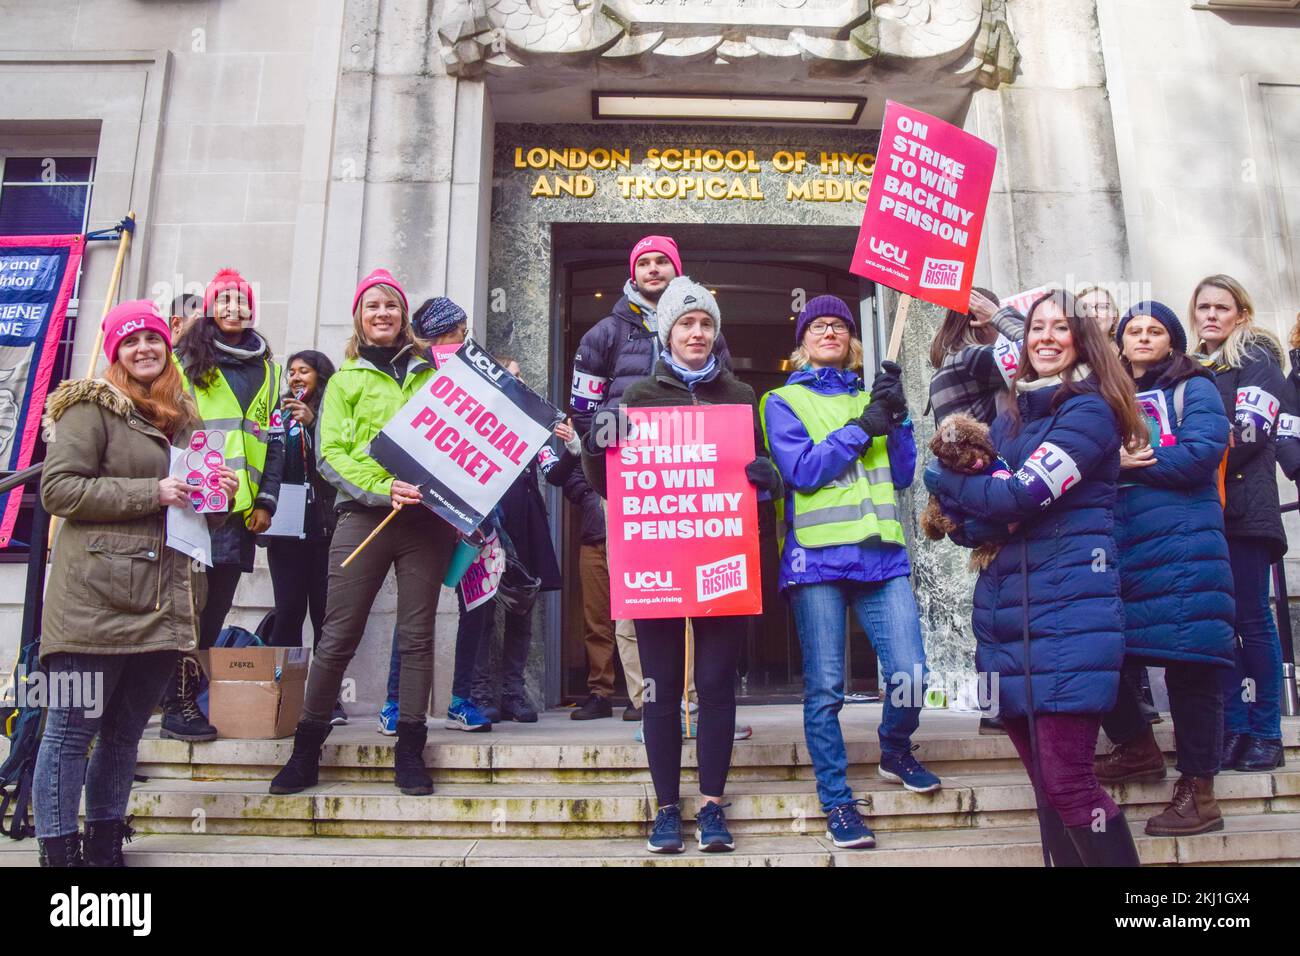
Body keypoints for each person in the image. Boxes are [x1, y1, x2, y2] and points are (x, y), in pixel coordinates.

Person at [925, 289, 1147, 866]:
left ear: (1082, 339)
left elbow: (1022, 494)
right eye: (1036, 328)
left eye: (1059, 327)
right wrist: (963, 515)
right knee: (1048, 793)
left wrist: (943, 483)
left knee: (1072, 787)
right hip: (1007, 623)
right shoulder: (1012, 413)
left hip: (1068, 619)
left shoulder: (1090, 410)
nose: (1044, 337)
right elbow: (983, 522)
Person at [581, 277, 781, 854]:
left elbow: (761, 469)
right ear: (667, 331)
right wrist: (598, 446)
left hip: (722, 560)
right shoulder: (638, 396)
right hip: (659, 562)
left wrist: (767, 479)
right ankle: (667, 808)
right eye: (686, 323)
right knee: (661, 688)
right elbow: (611, 486)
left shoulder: (742, 395)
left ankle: (713, 806)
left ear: (716, 334)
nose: (697, 332)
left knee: (717, 685)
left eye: (706, 324)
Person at [34, 300, 236, 866]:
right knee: (70, 733)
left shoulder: (186, 416)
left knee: (124, 734)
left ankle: (103, 844)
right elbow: (60, 491)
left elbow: (197, 513)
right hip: (91, 604)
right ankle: (57, 851)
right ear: (115, 352)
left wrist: (216, 493)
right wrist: (155, 492)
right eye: (131, 341)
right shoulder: (89, 408)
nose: (144, 348)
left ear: (167, 347)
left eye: (152, 338)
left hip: (164, 600)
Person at [270, 269, 457, 796]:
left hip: (426, 522)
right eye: (373, 306)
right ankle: (305, 751)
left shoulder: (433, 375)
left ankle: (411, 752)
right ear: (359, 317)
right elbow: (332, 456)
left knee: (418, 638)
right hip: (363, 518)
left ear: (404, 317)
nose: (383, 314)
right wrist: (384, 488)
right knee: (338, 636)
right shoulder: (345, 381)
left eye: (393, 306)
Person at [762, 294, 940, 851]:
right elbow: (804, 471)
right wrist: (864, 428)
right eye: (817, 325)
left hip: (880, 556)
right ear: (802, 342)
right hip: (816, 560)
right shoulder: (782, 400)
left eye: (839, 325)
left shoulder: (874, 396)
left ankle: (894, 747)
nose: (829, 331)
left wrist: (901, 416)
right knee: (826, 690)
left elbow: (906, 475)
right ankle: (837, 801)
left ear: (853, 340)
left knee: (911, 673)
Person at [569, 235, 734, 724]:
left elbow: (724, 398)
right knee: (637, 596)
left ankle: (692, 702)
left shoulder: (706, 329)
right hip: (634, 487)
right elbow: (583, 410)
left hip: (695, 485)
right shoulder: (603, 333)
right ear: (633, 271)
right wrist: (602, 455)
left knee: (697, 595)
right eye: (645, 262)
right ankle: (651, 703)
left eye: (663, 261)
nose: (654, 269)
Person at [1095, 301, 1235, 836]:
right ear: (1120, 342)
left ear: (1172, 341)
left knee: (1191, 667)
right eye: (1135, 331)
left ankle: (1199, 793)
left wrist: (1133, 463)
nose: (1145, 338)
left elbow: (1202, 453)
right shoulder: (1104, 395)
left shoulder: (1194, 387)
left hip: (1184, 549)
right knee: (1099, 655)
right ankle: (1135, 748)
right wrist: (1114, 463)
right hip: (1121, 547)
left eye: (1156, 331)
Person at [164, 268, 284, 742]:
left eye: (242, 300)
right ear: (210, 306)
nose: (235, 308)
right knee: (182, 608)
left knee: (213, 609)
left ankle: (188, 695)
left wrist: (267, 501)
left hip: (238, 512)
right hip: (190, 508)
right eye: (225, 300)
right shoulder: (183, 359)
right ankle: (175, 701)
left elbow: (271, 442)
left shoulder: (271, 369)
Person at [375, 295, 488, 734]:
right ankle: (395, 702)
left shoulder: (479, 374)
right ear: (442, 334)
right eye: (460, 331)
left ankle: (463, 698)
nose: (465, 338)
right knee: (414, 610)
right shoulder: (414, 374)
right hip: (425, 510)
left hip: (475, 510)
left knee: (476, 606)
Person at [1191, 274, 1289, 772]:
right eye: (1203, 306)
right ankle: (1234, 728)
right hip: (1206, 515)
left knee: (1253, 621)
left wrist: (1190, 449)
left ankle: (1267, 730)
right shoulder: (1192, 367)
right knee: (1220, 627)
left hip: (1247, 513)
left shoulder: (1257, 361)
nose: (1211, 315)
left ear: (1240, 315)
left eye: (1221, 307)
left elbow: (1249, 432)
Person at [468, 359, 564, 723]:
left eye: (520, 377)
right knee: (480, 609)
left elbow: (552, 471)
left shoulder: (533, 427)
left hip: (526, 522)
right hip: (484, 522)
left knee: (522, 607)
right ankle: (478, 694)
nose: (514, 382)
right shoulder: (471, 422)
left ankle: (513, 692)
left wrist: (572, 452)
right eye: (506, 375)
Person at [262, 350, 349, 724]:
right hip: (286, 531)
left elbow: (338, 466)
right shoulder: (277, 417)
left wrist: (314, 425)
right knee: (289, 612)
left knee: (326, 616)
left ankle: (327, 700)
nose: (297, 377)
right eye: (292, 372)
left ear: (320, 377)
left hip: (326, 531)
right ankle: (284, 697)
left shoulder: (333, 414)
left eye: (305, 371)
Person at [541, 421, 618, 720]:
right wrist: (592, 491)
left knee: (639, 621)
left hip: (632, 538)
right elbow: (569, 482)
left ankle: (645, 694)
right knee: (596, 620)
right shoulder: (589, 427)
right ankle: (600, 693)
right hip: (594, 537)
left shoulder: (640, 424)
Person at [927, 287, 1019, 426]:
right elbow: (1038, 352)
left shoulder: (946, 367)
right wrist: (998, 315)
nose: (998, 329)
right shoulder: (974, 359)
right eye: (994, 321)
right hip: (993, 446)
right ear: (982, 322)